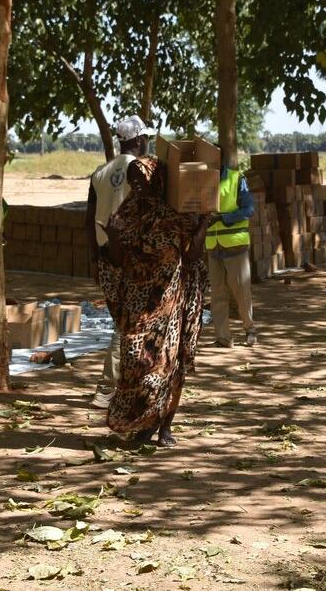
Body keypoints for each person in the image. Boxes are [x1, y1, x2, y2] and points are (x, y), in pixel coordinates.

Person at [98, 155, 212, 447]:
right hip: (137, 304)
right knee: (137, 363)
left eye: (142, 179)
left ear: (157, 180)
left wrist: (204, 224)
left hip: (169, 304)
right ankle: (142, 421)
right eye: (132, 179)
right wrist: (112, 237)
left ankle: (162, 427)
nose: (136, 185)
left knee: (168, 366)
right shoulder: (128, 212)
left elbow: (194, 256)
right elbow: (115, 261)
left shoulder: (173, 216)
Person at [87, 115, 151, 408]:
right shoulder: (140, 170)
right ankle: (107, 388)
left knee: (123, 320)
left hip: (105, 257)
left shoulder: (100, 173)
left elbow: (89, 220)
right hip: (130, 256)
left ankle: (123, 383)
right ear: (138, 140)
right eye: (146, 138)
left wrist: (94, 260)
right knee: (127, 324)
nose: (147, 142)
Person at [205, 156, 258, 348]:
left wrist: (222, 218)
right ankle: (223, 337)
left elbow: (249, 209)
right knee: (217, 294)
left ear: (219, 159)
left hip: (235, 244)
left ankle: (250, 330)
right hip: (213, 245)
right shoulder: (203, 181)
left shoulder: (237, 178)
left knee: (241, 291)